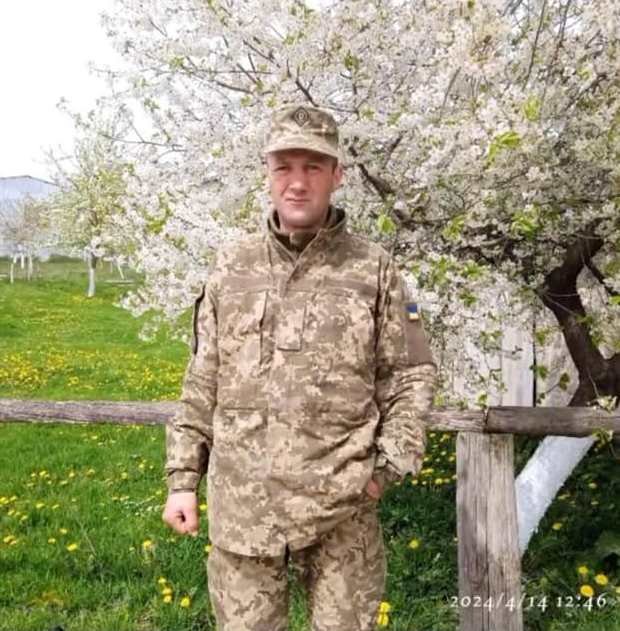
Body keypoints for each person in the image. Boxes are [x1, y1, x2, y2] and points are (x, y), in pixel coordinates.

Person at [162, 104, 437, 631]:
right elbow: (202, 379)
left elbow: (410, 374)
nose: (297, 182)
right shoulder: (232, 266)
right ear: (267, 174)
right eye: (284, 167)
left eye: (313, 167)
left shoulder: (373, 268)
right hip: (244, 512)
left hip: (343, 513)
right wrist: (182, 480)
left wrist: (384, 471)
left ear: (337, 175)